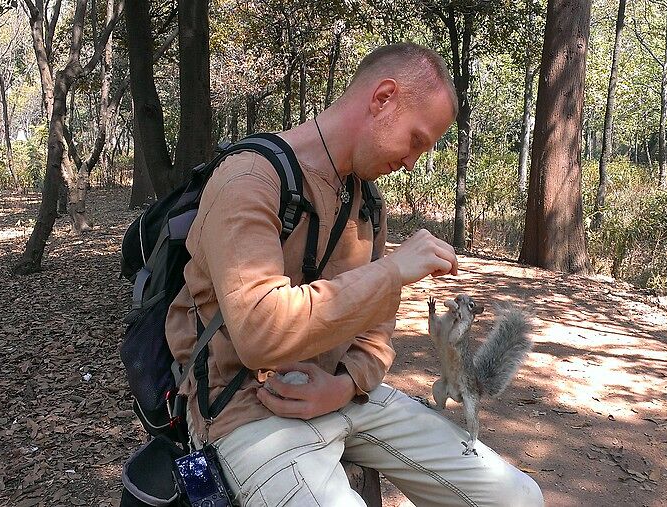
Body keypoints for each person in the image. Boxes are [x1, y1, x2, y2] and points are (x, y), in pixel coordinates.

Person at [165, 42, 544, 506]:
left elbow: (375, 336)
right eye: (417, 140)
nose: (412, 162)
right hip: (247, 414)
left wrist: (344, 385)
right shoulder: (250, 179)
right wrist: (391, 272)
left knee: (518, 497)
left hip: (344, 399)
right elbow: (258, 332)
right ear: (382, 98)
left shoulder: (367, 203)